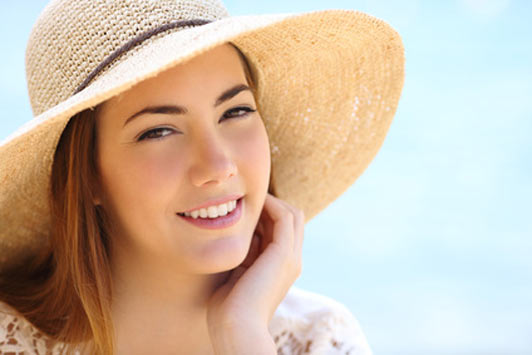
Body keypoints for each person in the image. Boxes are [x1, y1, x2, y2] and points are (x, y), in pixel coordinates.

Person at [0, 0, 404, 354]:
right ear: (88, 177)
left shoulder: (319, 338)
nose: (218, 166)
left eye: (235, 111)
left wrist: (242, 336)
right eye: (158, 131)